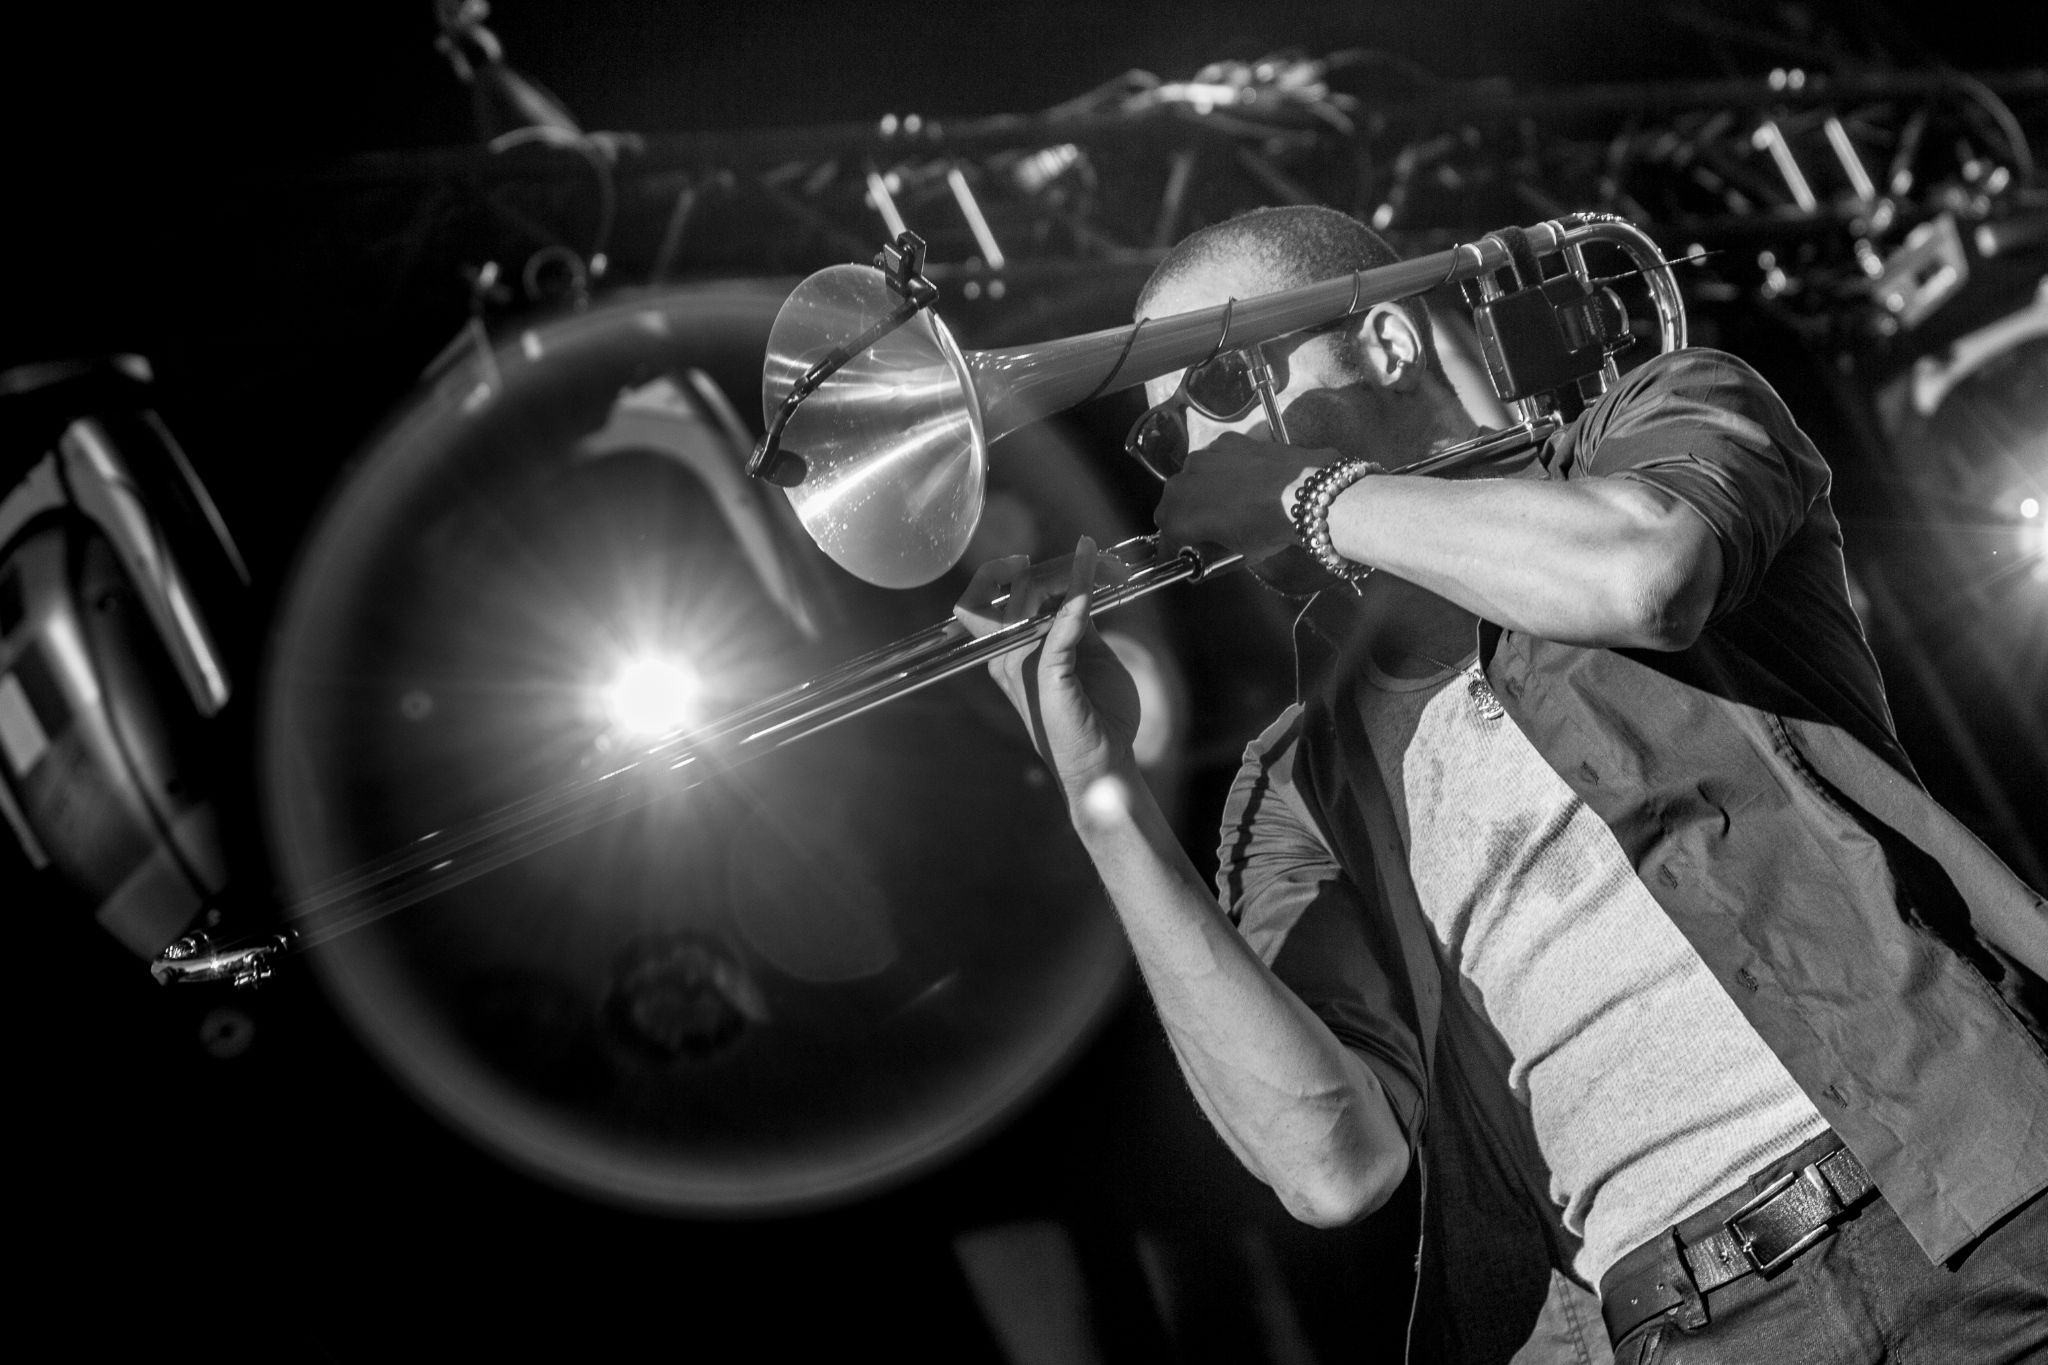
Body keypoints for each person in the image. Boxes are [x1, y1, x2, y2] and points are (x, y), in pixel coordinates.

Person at [954, 205, 2048, 1364]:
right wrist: (1098, 794)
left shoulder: (1651, 422)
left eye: (1223, 387)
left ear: (1385, 343)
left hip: (1969, 1192)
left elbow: (1640, 575)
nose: (1203, 449)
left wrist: (1305, 494)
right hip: (1686, 1327)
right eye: (1168, 438)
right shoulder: (1296, 782)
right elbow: (1330, 1168)